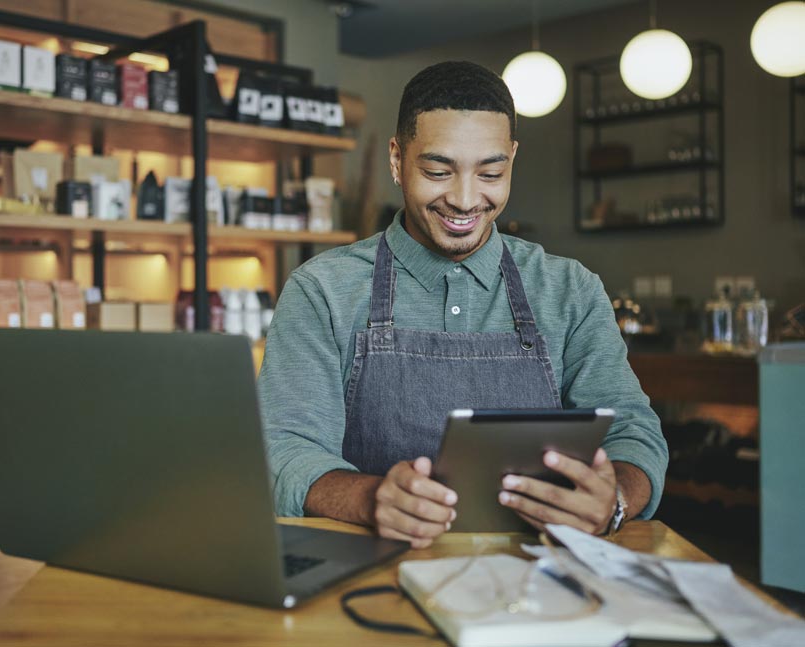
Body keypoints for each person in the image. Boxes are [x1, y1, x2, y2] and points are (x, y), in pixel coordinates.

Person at [259, 61, 667, 548]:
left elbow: (633, 433)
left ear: (512, 159)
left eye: (491, 172)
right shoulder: (321, 291)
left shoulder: (570, 289)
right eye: (437, 171)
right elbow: (283, 449)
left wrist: (614, 499)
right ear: (396, 159)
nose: (466, 199)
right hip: (370, 577)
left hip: (536, 583)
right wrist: (369, 498)